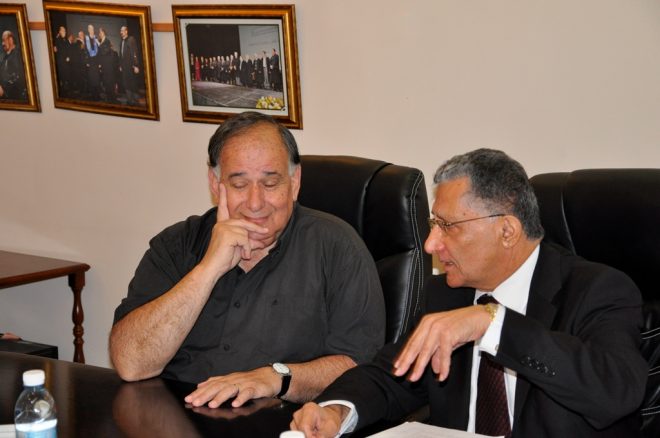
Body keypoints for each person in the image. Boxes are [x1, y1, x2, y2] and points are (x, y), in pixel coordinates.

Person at [291, 148, 648, 437]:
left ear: (507, 231)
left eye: (447, 226)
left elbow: (616, 392)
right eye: (433, 225)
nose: (431, 244)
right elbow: (389, 376)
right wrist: (336, 411)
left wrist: (493, 323)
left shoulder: (597, 290)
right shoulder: (447, 294)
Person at [109, 111, 385, 410]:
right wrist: (208, 269)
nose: (255, 203)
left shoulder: (337, 247)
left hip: (281, 420)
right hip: (176, 416)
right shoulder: (176, 245)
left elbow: (359, 366)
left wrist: (276, 378)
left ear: (294, 182)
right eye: (239, 185)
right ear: (215, 184)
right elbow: (131, 364)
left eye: (270, 183)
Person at [0, 30, 26, 101]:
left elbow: (19, 77)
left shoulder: (18, 54)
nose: (2, 43)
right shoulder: (3, 57)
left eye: (4, 40)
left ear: (11, 40)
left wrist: (4, 89)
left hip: (14, 96)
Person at [118, 25, 140, 105]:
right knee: (126, 83)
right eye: (120, 31)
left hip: (131, 66)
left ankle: (135, 101)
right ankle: (130, 100)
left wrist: (136, 65)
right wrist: (120, 65)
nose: (121, 32)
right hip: (124, 67)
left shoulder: (131, 39)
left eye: (122, 30)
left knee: (132, 83)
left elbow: (134, 53)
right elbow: (121, 55)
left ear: (126, 31)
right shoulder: (121, 42)